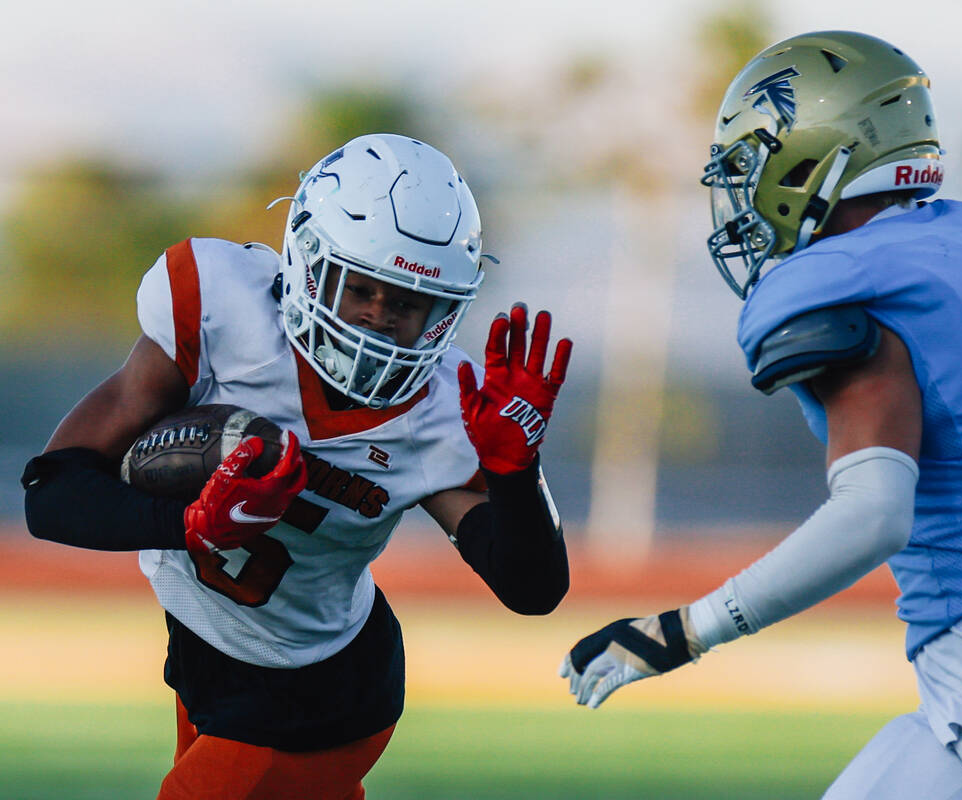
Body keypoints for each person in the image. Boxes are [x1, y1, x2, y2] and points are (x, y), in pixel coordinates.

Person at [560, 31, 962, 799]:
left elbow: (873, 515)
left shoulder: (847, 279)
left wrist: (686, 631)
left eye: (753, 162)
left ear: (816, 155)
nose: (745, 188)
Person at [23, 133, 573, 799]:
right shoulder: (224, 316)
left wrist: (516, 472)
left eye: (405, 304)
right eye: (361, 289)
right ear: (310, 262)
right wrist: (189, 523)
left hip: (315, 696)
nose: (377, 320)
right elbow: (52, 493)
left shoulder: (443, 412)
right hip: (207, 660)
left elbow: (529, 587)